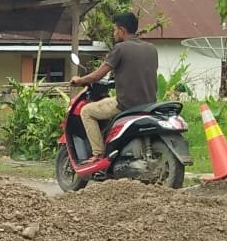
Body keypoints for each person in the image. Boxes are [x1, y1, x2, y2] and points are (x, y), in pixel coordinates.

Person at [66, 12, 159, 173]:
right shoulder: (151, 49)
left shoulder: (120, 48)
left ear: (122, 30)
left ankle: (98, 154)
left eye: (115, 29)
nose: (114, 33)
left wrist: (79, 80)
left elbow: (98, 74)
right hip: (149, 103)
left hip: (126, 104)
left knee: (87, 110)